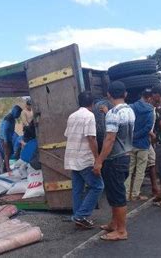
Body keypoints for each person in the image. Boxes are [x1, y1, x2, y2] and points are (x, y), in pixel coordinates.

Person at [94, 81, 135, 241]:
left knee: (117, 195)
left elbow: (110, 139)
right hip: (126, 156)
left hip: (114, 159)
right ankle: (113, 223)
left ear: (109, 95)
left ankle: (121, 231)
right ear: (125, 94)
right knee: (114, 193)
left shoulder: (113, 114)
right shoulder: (129, 110)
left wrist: (99, 160)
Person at [64, 91, 103, 229]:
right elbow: (91, 138)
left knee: (77, 189)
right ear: (92, 103)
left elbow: (67, 135)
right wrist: (97, 158)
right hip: (84, 158)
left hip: (72, 158)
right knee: (98, 186)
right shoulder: (89, 116)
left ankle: (79, 216)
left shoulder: (72, 116)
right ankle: (81, 216)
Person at [126, 89, 155, 201]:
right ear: (149, 98)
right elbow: (148, 128)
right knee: (140, 171)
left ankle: (125, 194)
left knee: (129, 170)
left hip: (131, 143)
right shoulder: (150, 110)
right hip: (143, 144)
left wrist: (132, 135)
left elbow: (128, 123)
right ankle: (135, 194)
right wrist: (138, 135)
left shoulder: (131, 107)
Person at [0, 105, 22, 171]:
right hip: (4, 138)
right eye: (18, 113)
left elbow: (11, 130)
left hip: (8, 138)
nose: (19, 115)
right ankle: (7, 168)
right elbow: (5, 130)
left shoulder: (12, 118)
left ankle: (5, 166)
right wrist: (5, 140)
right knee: (7, 152)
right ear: (15, 111)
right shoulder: (8, 118)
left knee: (10, 152)